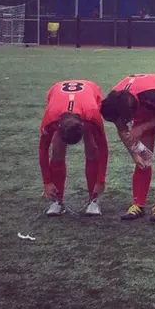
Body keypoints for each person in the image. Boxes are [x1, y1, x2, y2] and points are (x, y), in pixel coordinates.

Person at [100, 73, 155, 222]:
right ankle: (138, 204)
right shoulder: (113, 102)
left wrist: (142, 128)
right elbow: (122, 130)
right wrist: (134, 153)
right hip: (142, 108)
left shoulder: (151, 96)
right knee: (144, 157)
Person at [39, 80, 108, 217]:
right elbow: (43, 150)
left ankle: (93, 200)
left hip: (90, 93)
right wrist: (47, 182)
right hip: (56, 94)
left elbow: (103, 148)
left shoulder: (92, 115)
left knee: (92, 149)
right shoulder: (51, 118)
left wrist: (101, 180)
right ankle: (57, 201)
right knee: (57, 150)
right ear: (57, 127)